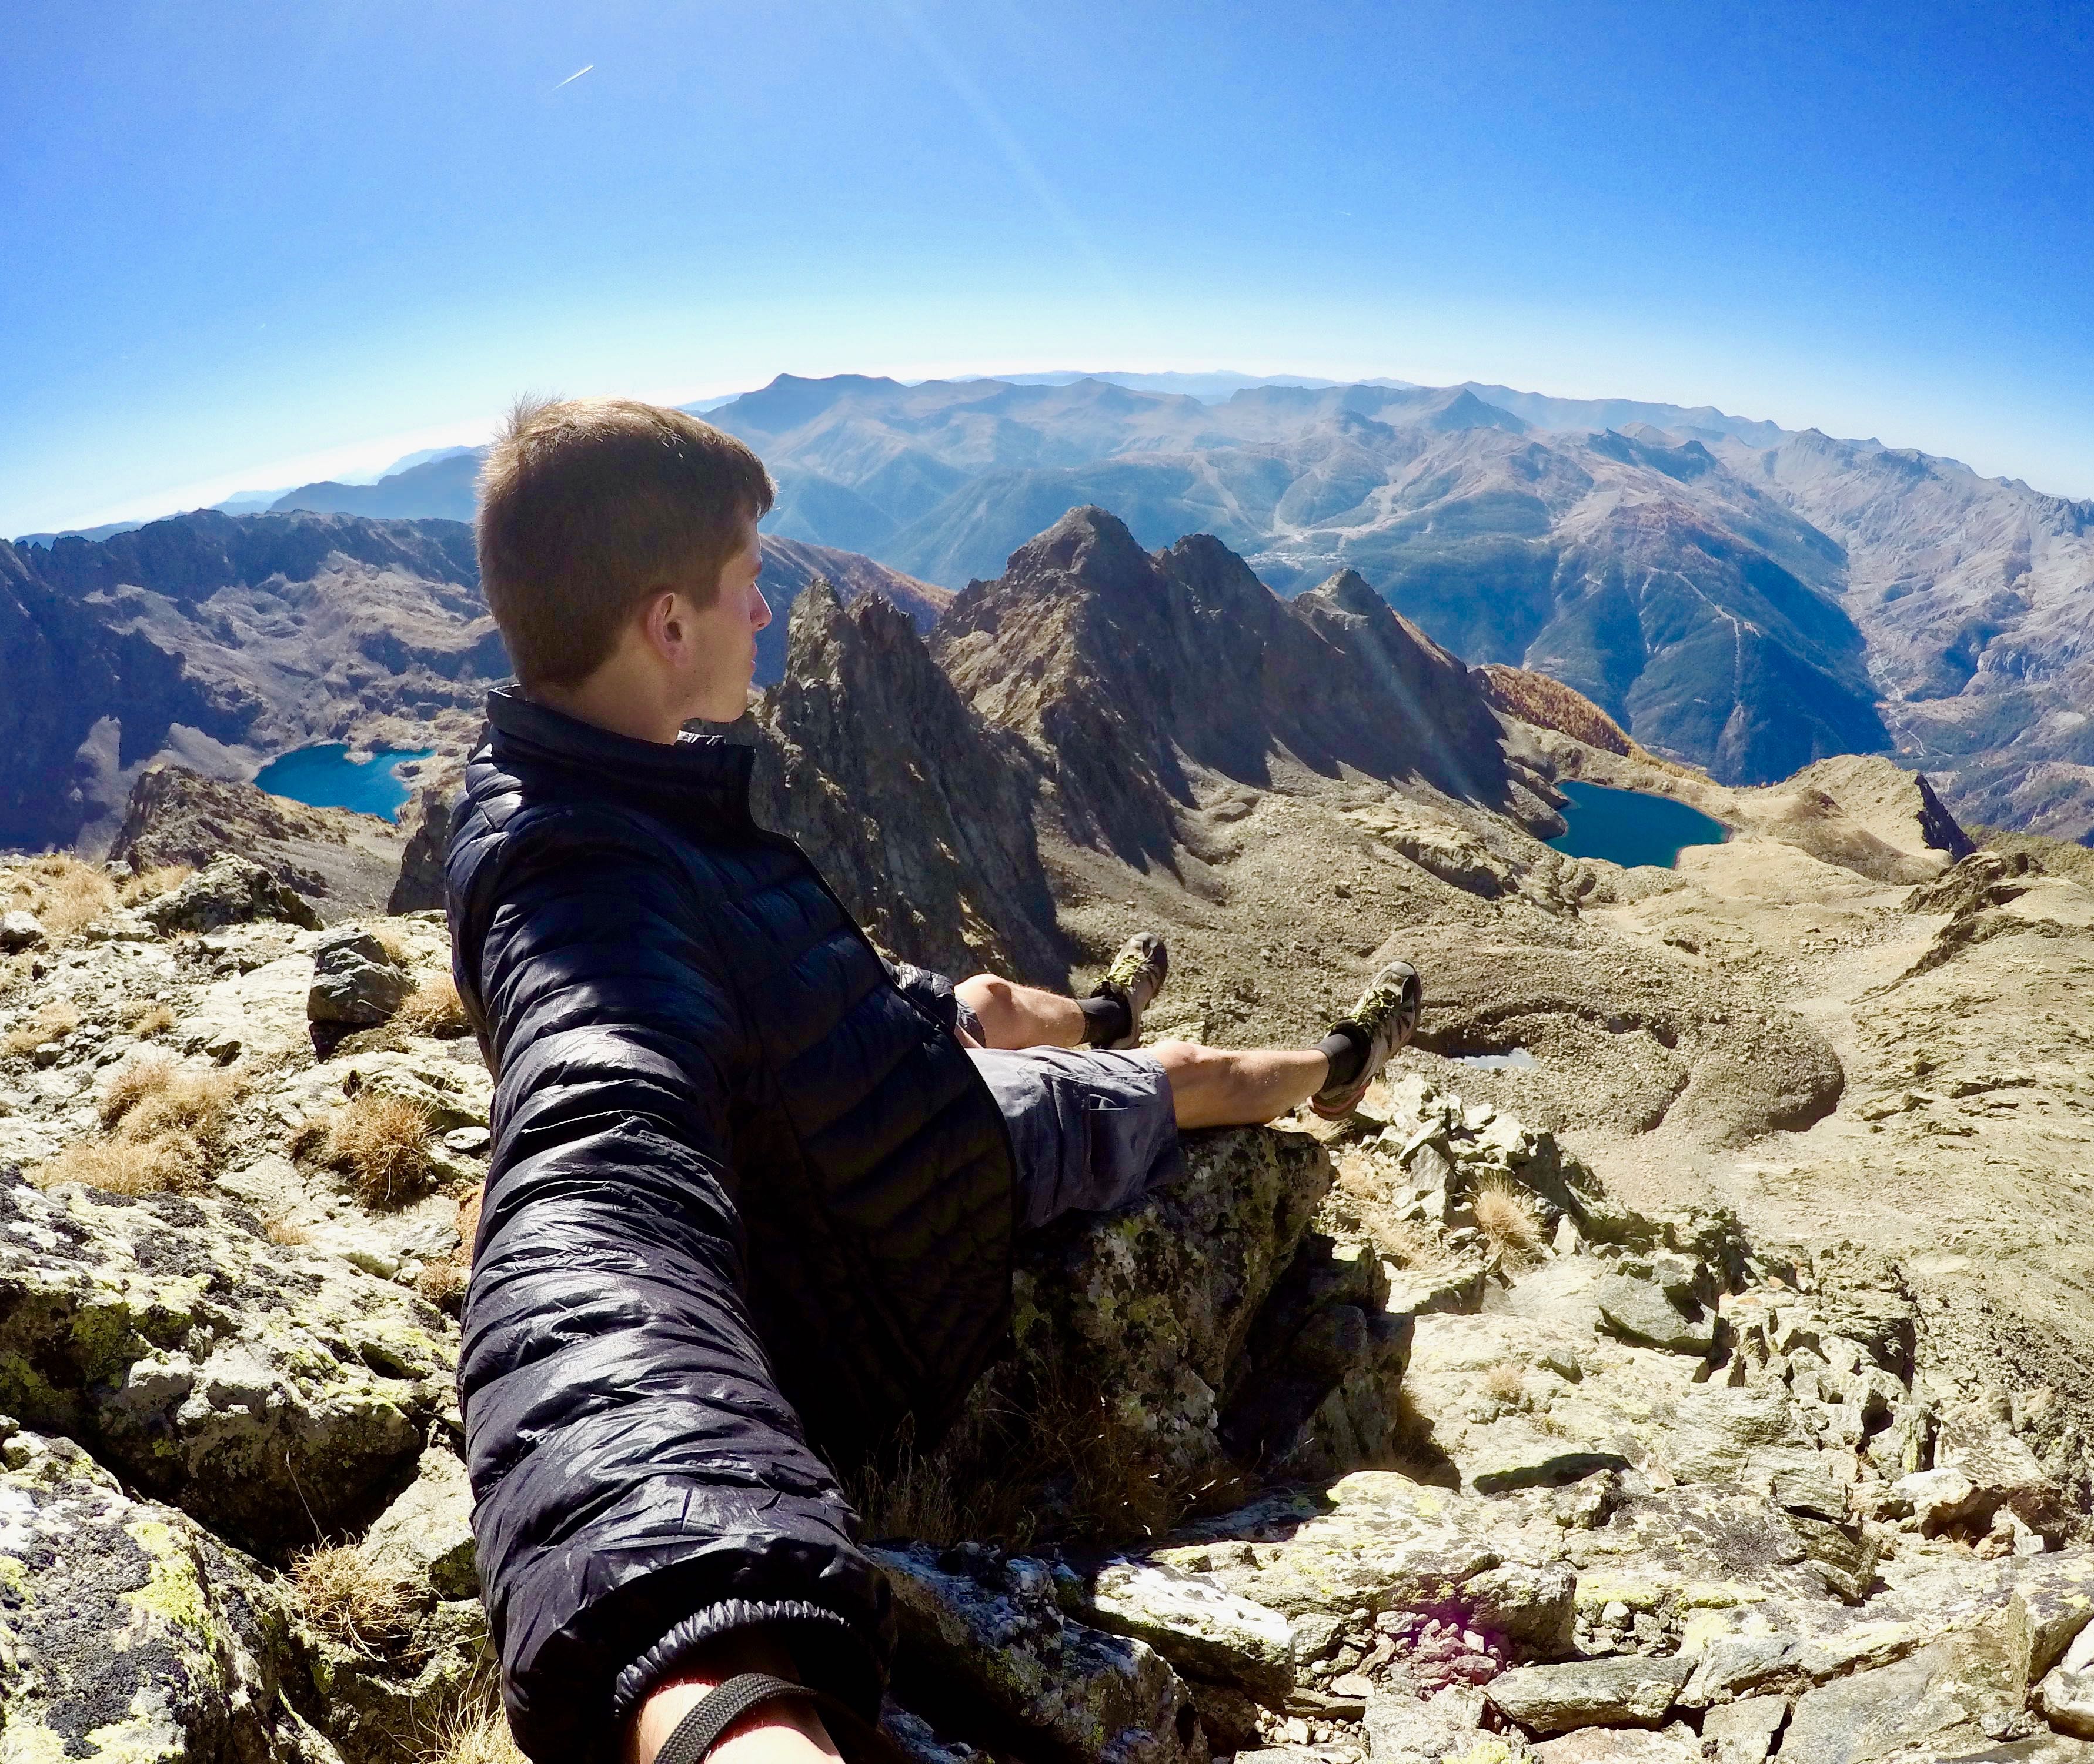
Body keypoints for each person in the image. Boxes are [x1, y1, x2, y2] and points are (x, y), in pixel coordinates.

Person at [443, 397, 1424, 1764]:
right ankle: (1330, 1068)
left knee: (983, 998)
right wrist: (704, 1676)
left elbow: (750, 988)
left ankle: (1092, 1009)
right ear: (667, 624)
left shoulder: (570, 791)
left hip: (833, 1103)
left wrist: (930, 1010)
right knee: (1179, 1077)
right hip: (907, 1195)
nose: (766, 616)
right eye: (745, 585)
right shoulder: (584, 889)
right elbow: (595, 1209)